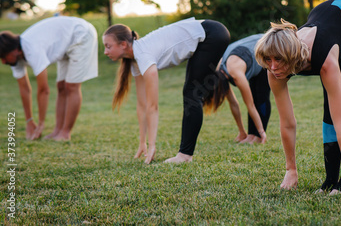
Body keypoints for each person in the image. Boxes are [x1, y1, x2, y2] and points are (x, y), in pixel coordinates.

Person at [254, 0, 341, 197]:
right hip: (326, 17)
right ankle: (330, 182)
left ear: (291, 56)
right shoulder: (273, 68)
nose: (273, 67)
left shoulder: (324, 60)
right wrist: (290, 170)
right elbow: (287, 123)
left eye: (278, 60)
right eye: (268, 59)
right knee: (328, 105)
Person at [102, 17, 230, 164]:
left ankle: (185, 156)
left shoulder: (144, 56)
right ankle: (185, 154)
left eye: (108, 46)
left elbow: (152, 107)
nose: (105, 51)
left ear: (123, 44)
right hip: (208, 34)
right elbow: (142, 105)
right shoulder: (135, 61)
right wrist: (143, 142)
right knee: (191, 92)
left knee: (191, 93)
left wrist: (152, 146)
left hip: (211, 34)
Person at [0, 16, 98, 141]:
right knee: (61, 87)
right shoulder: (14, 59)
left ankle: (65, 132)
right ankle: (57, 130)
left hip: (81, 34)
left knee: (71, 86)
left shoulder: (32, 49)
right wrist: (29, 121)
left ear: (15, 50)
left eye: (3, 57)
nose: (3, 62)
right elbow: (24, 90)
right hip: (66, 41)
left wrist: (41, 124)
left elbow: (44, 90)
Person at [206, 33, 270, 144]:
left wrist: (261, 131)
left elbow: (250, 105)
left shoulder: (236, 73)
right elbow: (234, 104)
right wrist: (242, 132)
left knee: (260, 97)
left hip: (266, 49)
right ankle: (250, 135)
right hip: (252, 55)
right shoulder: (219, 72)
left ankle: (259, 136)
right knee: (254, 95)